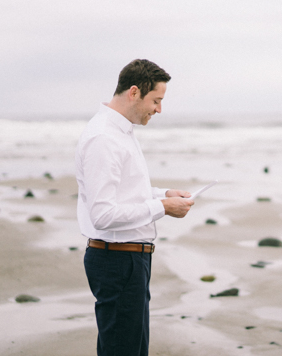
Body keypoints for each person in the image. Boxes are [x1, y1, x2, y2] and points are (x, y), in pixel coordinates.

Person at [75, 59, 194, 356]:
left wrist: (165, 194)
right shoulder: (104, 138)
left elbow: (128, 193)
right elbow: (103, 215)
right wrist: (162, 207)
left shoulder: (121, 133)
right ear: (133, 92)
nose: (159, 109)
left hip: (128, 259)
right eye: (156, 100)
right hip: (116, 260)